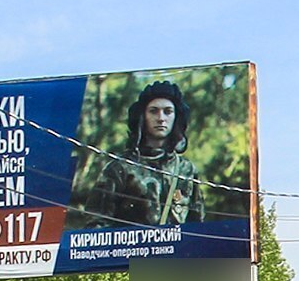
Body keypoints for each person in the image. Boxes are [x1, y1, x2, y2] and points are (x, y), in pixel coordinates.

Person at [75, 78, 204, 228]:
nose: (161, 118)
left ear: (176, 117)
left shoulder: (186, 170)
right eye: (153, 111)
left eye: (168, 112)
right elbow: (95, 225)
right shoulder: (120, 168)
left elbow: (197, 226)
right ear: (142, 117)